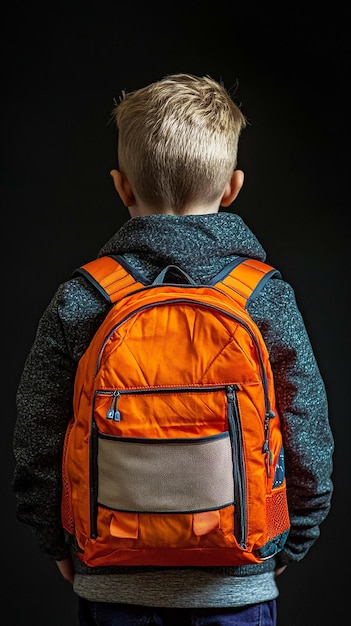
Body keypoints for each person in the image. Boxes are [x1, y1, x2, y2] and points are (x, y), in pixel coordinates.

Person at [13, 73, 334, 626]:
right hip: (238, 581)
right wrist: (295, 534)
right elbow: (308, 428)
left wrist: (56, 541)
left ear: (122, 187)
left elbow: (37, 431)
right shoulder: (263, 297)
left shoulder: (85, 297)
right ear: (232, 187)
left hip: (111, 575)